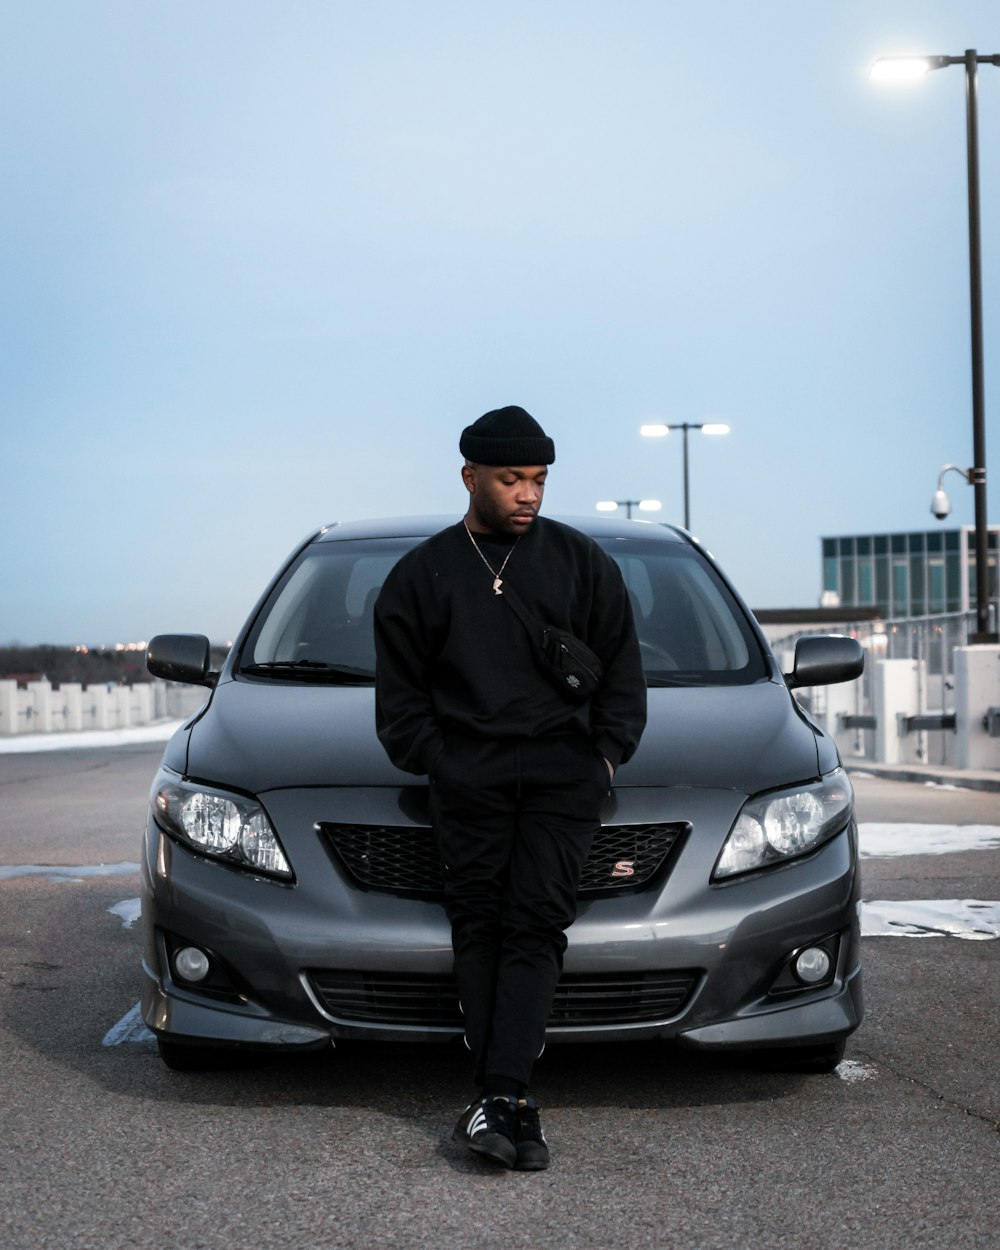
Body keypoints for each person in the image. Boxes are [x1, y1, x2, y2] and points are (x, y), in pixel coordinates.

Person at [373, 405, 646, 1171]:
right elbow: (398, 705)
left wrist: (604, 758)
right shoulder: (422, 575)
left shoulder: (581, 562)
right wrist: (444, 760)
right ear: (471, 477)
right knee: (481, 924)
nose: (529, 494)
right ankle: (508, 1102)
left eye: (538, 479)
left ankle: (502, 1094)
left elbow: (623, 672)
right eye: (511, 479)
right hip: (470, 772)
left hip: (563, 771)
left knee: (534, 925)